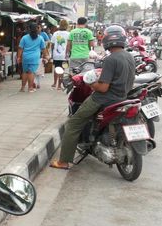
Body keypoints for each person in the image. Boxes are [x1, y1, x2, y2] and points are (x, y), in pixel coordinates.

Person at [50, 25, 135, 170]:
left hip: (103, 99)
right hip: (122, 98)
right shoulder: (129, 56)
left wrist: (90, 83)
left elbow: (103, 88)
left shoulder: (111, 59)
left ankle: (64, 161)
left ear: (107, 40)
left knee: (73, 124)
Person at [17, 23, 46, 93]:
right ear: (37, 29)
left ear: (29, 29)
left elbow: (20, 48)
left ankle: (22, 88)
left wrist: (18, 57)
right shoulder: (40, 38)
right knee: (31, 72)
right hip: (35, 57)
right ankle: (30, 88)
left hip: (25, 57)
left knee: (25, 72)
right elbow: (43, 49)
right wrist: (44, 56)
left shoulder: (24, 37)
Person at [50, 19, 70, 90]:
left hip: (56, 55)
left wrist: (52, 53)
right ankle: (59, 85)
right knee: (62, 70)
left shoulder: (55, 33)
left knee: (56, 69)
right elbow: (69, 45)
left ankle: (55, 83)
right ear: (66, 25)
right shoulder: (68, 34)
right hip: (65, 56)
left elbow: (52, 44)